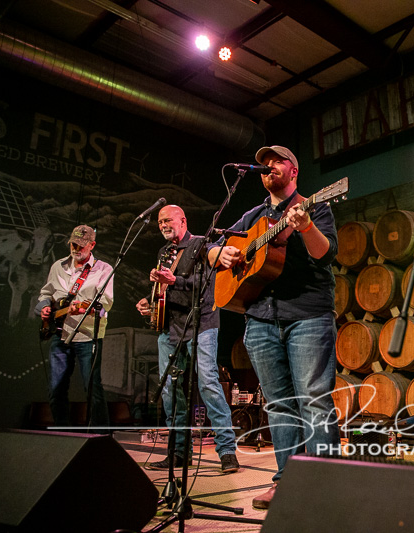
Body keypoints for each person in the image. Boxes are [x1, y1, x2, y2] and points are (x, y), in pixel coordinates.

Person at [208, 145, 339, 509]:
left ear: (294, 171)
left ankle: (325, 484)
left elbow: (325, 254)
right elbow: (212, 246)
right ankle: (286, 481)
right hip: (260, 319)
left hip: (308, 315)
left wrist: (306, 226)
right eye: (264, 163)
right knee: (280, 405)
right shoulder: (253, 216)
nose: (268, 166)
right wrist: (218, 254)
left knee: (313, 400)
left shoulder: (319, 205)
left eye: (276, 161)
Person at [136, 205, 239, 474]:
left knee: (207, 384)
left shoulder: (201, 245)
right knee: (170, 392)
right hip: (170, 328)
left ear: (183, 221)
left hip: (202, 324)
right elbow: (165, 288)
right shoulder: (164, 252)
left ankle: (227, 452)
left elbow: (207, 283)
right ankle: (179, 453)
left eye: (167, 220)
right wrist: (151, 301)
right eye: (159, 222)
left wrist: (174, 282)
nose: (162, 225)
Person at [35, 225, 114, 432]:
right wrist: (43, 307)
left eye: (80, 245)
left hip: (88, 336)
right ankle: (63, 434)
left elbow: (105, 304)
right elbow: (45, 293)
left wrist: (90, 309)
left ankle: (101, 437)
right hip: (60, 335)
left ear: (92, 245)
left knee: (92, 389)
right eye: (73, 244)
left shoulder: (104, 269)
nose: (75, 248)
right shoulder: (57, 266)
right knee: (56, 389)